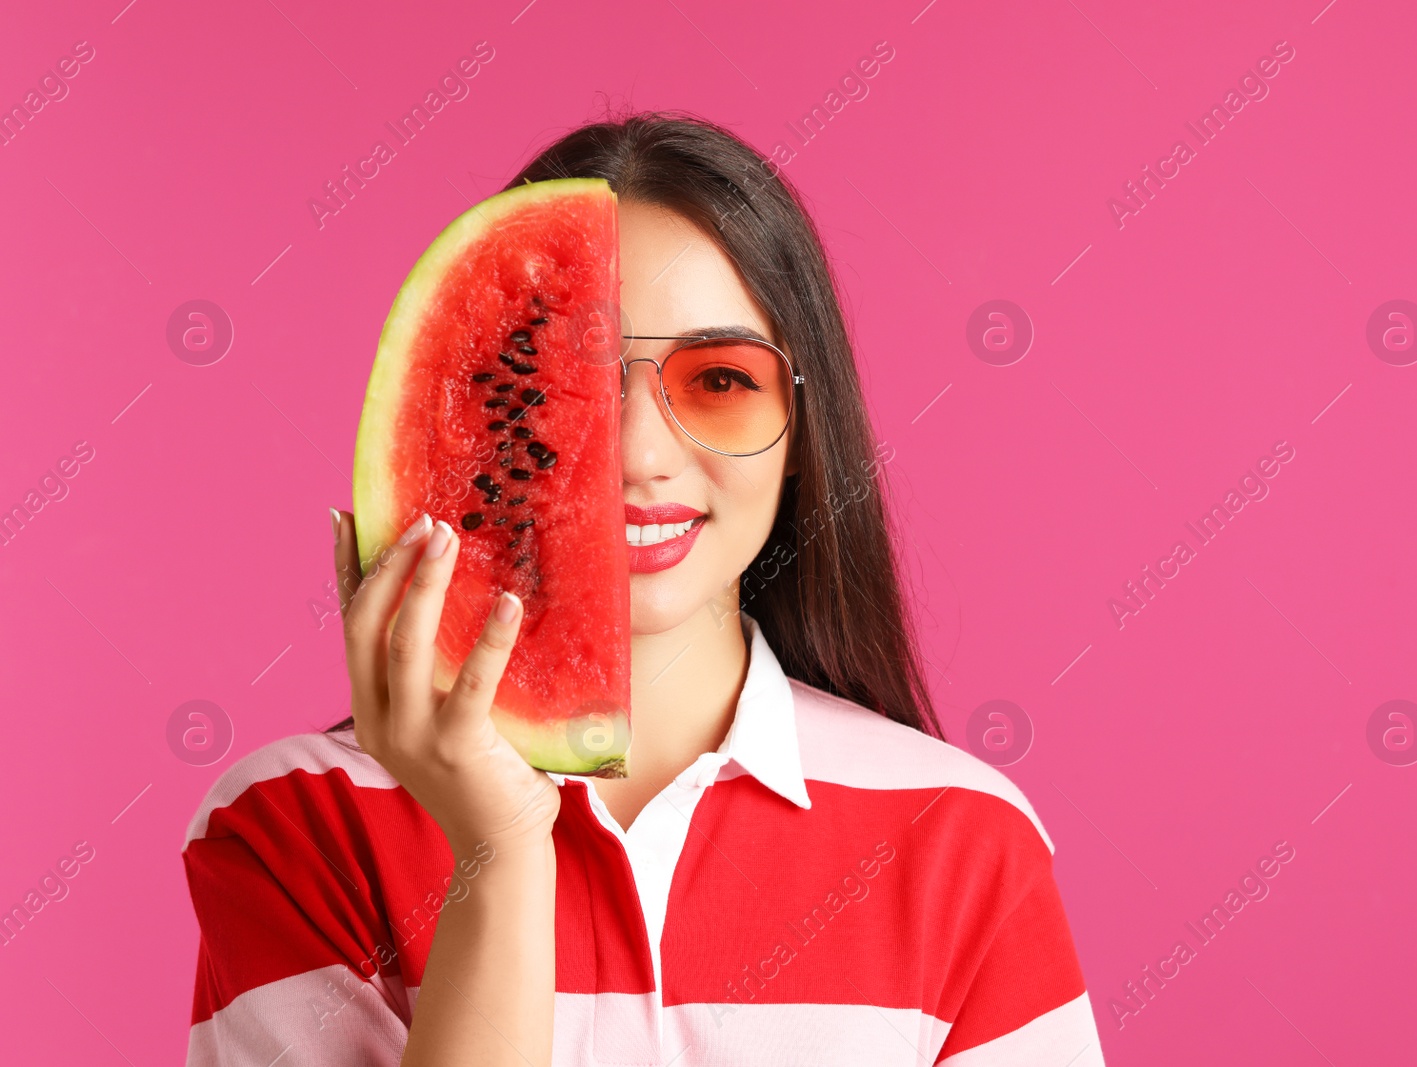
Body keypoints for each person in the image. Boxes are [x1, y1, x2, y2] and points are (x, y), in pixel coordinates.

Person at [181, 110, 1104, 1066]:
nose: (640, 456)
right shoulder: (298, 825)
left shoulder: (961, 838)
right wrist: (497, 855)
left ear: (801, 426)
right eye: (556, 390)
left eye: (718, 381)